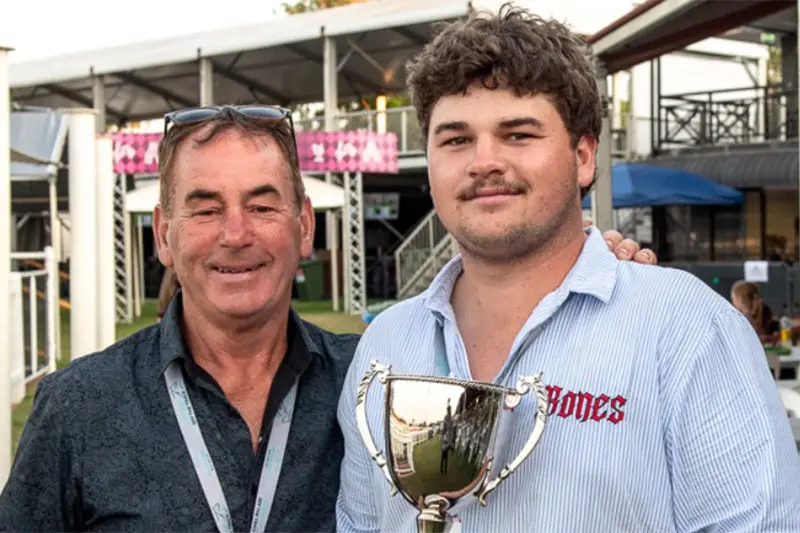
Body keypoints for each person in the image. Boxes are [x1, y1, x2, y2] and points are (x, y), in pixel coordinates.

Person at [0, 117, 655, 530]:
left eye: (262, 204)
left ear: (305, 228)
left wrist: (583, 282)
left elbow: (515, 376)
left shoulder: (377, 378)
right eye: (205, 209)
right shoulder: (79, 407)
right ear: (163, 237)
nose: (235, 234)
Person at [335, 6, 800, 533]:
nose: (484, 160)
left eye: (518, 134)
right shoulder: (386, 345)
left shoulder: (687, 329)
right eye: (456, 139)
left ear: (583, 156)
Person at [731, 280, 779, 344]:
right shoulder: (765, 311)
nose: (732, 302)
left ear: (739, 298)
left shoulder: (740, 318)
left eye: (733, 298)